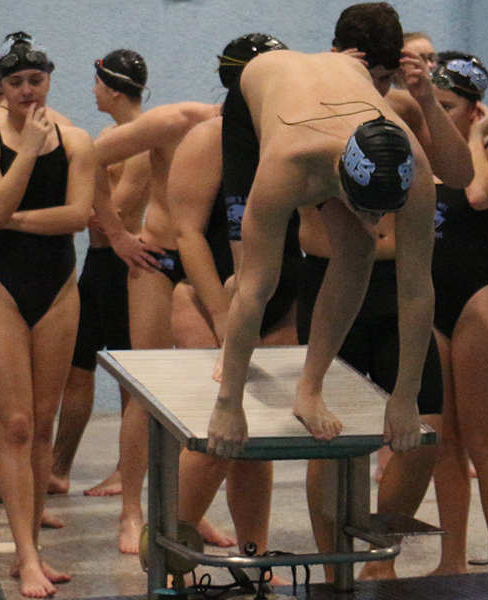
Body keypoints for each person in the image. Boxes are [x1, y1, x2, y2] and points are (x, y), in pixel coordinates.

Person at [295, 4, 473, 581]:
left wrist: (422, 99)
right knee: (333, 443)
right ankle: (333, 572)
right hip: (332, 288)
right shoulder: (306, 110)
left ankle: (375, 558)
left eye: (382, 78)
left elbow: (460, 174)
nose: (372, 90)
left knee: (422, 434)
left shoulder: (399, 107)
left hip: (399, 292)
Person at [206, 47, 436, 462]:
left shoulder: (415, 169)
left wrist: (405, 396)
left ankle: (309, 390)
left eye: (386, 209)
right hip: (257, 100)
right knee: (253, 276)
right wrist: (228, 404)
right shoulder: (288, 164)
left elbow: (417, 291)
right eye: (368, 208)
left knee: (360, 246)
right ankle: (233, 344)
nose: (380, 219)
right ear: (338, 179)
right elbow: (257, 291)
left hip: (344, 82)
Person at [0, 36, 94, 597]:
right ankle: (25, 554)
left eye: (35, 80)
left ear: (47, 80)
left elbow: (77, 216)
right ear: (2, 85)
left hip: (57, 284)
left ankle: (31, 551)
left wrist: (10, 220)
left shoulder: (79, 141)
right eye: (15, 82)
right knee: (13, 423)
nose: (25, 91)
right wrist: (25, 156)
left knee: (42, 423)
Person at [169, 33, 292, 572]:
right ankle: (169, 549)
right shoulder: (208, 139)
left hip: (279, 302)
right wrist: (225, 318)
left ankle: (254, 558)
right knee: (213, 438)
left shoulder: (288, 140)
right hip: (208, 299)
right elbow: (188, 233)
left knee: (254, 440)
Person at [93, 81, 219, 554]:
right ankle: (131, 510)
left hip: (210, 263)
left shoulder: (261, 136)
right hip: (158, 260)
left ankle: (191, 507)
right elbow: (88, 155)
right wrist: (117, 234)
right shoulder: (178, 120)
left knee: (206, 388)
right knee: (145, 390)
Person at [430, 52, 488, 575]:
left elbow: (482, 194)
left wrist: (471, 139)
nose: (436, 115)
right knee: (446, 440)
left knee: (482, 438)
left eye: (447, 107)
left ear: (474, 110)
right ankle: (450, 560)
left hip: (480, 296)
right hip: (431, 300)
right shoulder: (421, 152)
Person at [49, 49, 151, 498]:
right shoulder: (111, 135)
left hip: (125, 268)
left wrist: (74, 207)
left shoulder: (141, 140)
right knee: (77, 366)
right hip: (97, 265)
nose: (92, 91)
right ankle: (59, 467)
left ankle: (126, 474)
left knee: (132, 379)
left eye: (96, 84)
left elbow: (119, 209)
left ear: (112, 87)